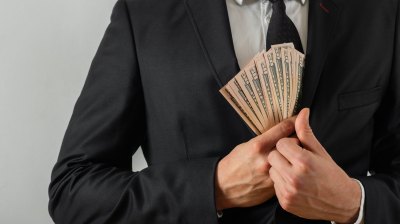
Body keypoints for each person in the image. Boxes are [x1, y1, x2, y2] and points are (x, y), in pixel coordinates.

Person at [48, 0, 400, 223]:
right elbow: (73, 189)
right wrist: (213, 187)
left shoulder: (381, 9)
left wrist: (354, 202)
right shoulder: (145, 10)